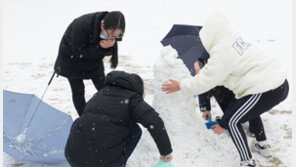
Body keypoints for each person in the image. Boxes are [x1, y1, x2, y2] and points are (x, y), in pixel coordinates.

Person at [162, 13, 289, 167]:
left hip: (266, 88)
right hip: (277, 83)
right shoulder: (234, 39)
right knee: (244, 108)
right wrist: (205, 92)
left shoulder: (221, 52)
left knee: (233, 121)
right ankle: (263, 145)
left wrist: (181, 86)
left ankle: (247, 162)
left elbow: (205, 82)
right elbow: (218, 77)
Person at [65, 71, 173, 167]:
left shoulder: (100, 93)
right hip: (103, 163)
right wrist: (166, 151)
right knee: (135, 130)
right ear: (138, 88)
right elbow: (154, 121)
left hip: (73, 157)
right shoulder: (132, 99)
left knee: (83, 121)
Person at [54, 11, 125, 116]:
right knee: (78, 91)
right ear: (102, 25)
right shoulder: (82, 26)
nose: (112, 38)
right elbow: (78, 52)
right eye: (110, 35)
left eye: (117, 36)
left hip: (93, 60)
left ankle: (111, 113)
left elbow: (108, 49)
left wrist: (106, 46)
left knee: (103, 86)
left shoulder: (112, 30)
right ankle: (84, 119)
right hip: (71, 61)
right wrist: (100, 47)